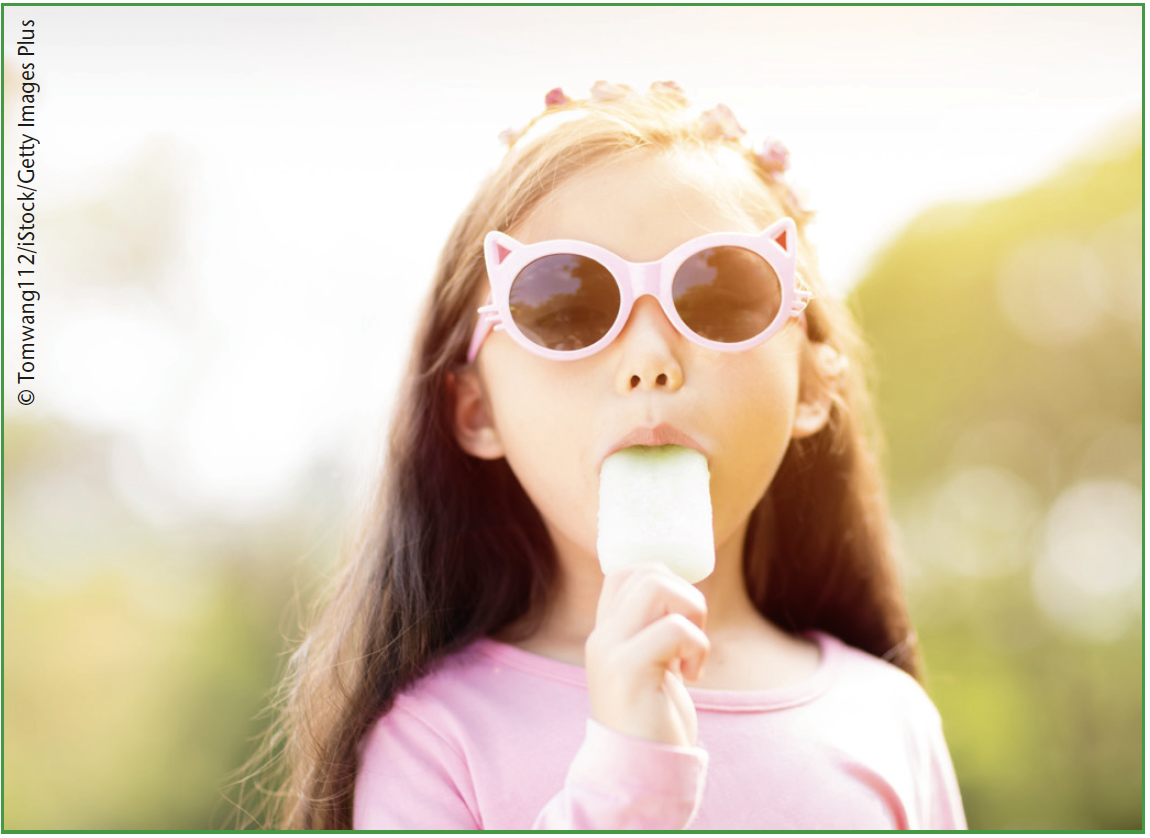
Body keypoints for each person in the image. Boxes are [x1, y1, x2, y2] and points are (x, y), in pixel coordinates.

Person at [258, 81, 967, 830]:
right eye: (564, 309)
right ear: (477, 410)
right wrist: (628, 787)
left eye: (722, 296)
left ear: (814, 386)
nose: (651, 360)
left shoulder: (890, 720)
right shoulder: (433, 740)